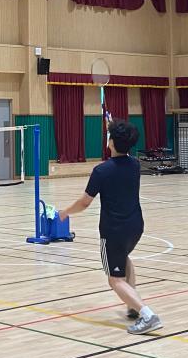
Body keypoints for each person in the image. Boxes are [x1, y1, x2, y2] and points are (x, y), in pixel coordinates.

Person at [58, 120, 161, 335]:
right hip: (135, 227)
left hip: (114, 231)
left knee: (115, 279)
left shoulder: (101, 171)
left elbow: (84, 203)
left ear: (111, 142)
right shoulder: (135, 165)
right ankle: (133, 305)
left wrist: (65, 212)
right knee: (123, 258)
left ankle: (147, 315)